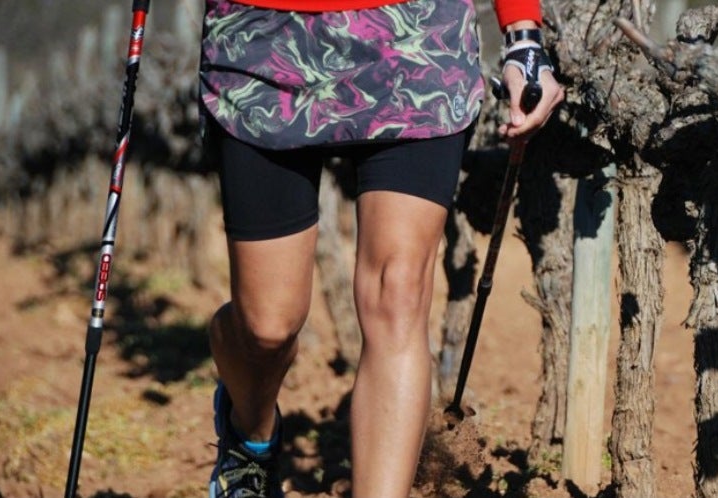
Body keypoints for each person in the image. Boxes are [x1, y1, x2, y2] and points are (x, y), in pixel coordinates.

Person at [196, 0, 563, 494]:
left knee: (398, 295)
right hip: (266, 38)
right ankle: (251, 435)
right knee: (267, 326)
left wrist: (522, 36)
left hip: (415, 36)